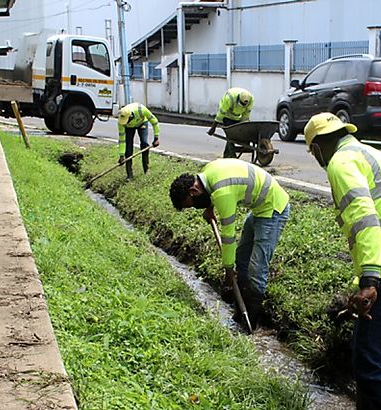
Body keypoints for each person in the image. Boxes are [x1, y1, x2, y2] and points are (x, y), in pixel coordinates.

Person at [303, 112, 381, 410]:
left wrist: (370, 280)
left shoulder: (340, 162)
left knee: (372, 366)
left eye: (313, 153)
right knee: (373, 357)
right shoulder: (371, 153)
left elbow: (365, 219)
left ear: (318, 148)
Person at [169, 158, 290, 331]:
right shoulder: (207, 173)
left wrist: (227, 270)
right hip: (259, 208)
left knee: (257, 267)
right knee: (241, 258)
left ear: (194, 190)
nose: (196, 208)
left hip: (273, 208)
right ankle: (240, 312)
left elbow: (228, 237)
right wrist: (209, 208)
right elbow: (210, 193)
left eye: (193, 205)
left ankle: (251, 323)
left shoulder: (223, 194)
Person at [206, 87, 254, 159]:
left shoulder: (250, 100)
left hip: (238, 116)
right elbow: (221, 113)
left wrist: (244, 129)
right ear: (238, 99)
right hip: (227, 115)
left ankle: (227, 155)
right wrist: (213, 127)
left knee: (233, 134)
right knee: (231, 135)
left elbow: (246, 115)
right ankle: (231, 155)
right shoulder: (229, 98)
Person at [117, 102, 160, 179]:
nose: (125, 122)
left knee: (144, 144)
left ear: (131, 116)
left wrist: (156, 138)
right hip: (129, 128)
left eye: (127, 120)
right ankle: (129, 175)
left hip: (142, 123)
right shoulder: (121, 122)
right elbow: (122, 139)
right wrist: (121, 155)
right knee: (128, 149)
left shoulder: (141, 109)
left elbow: (155, 121)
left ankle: (146, 170)